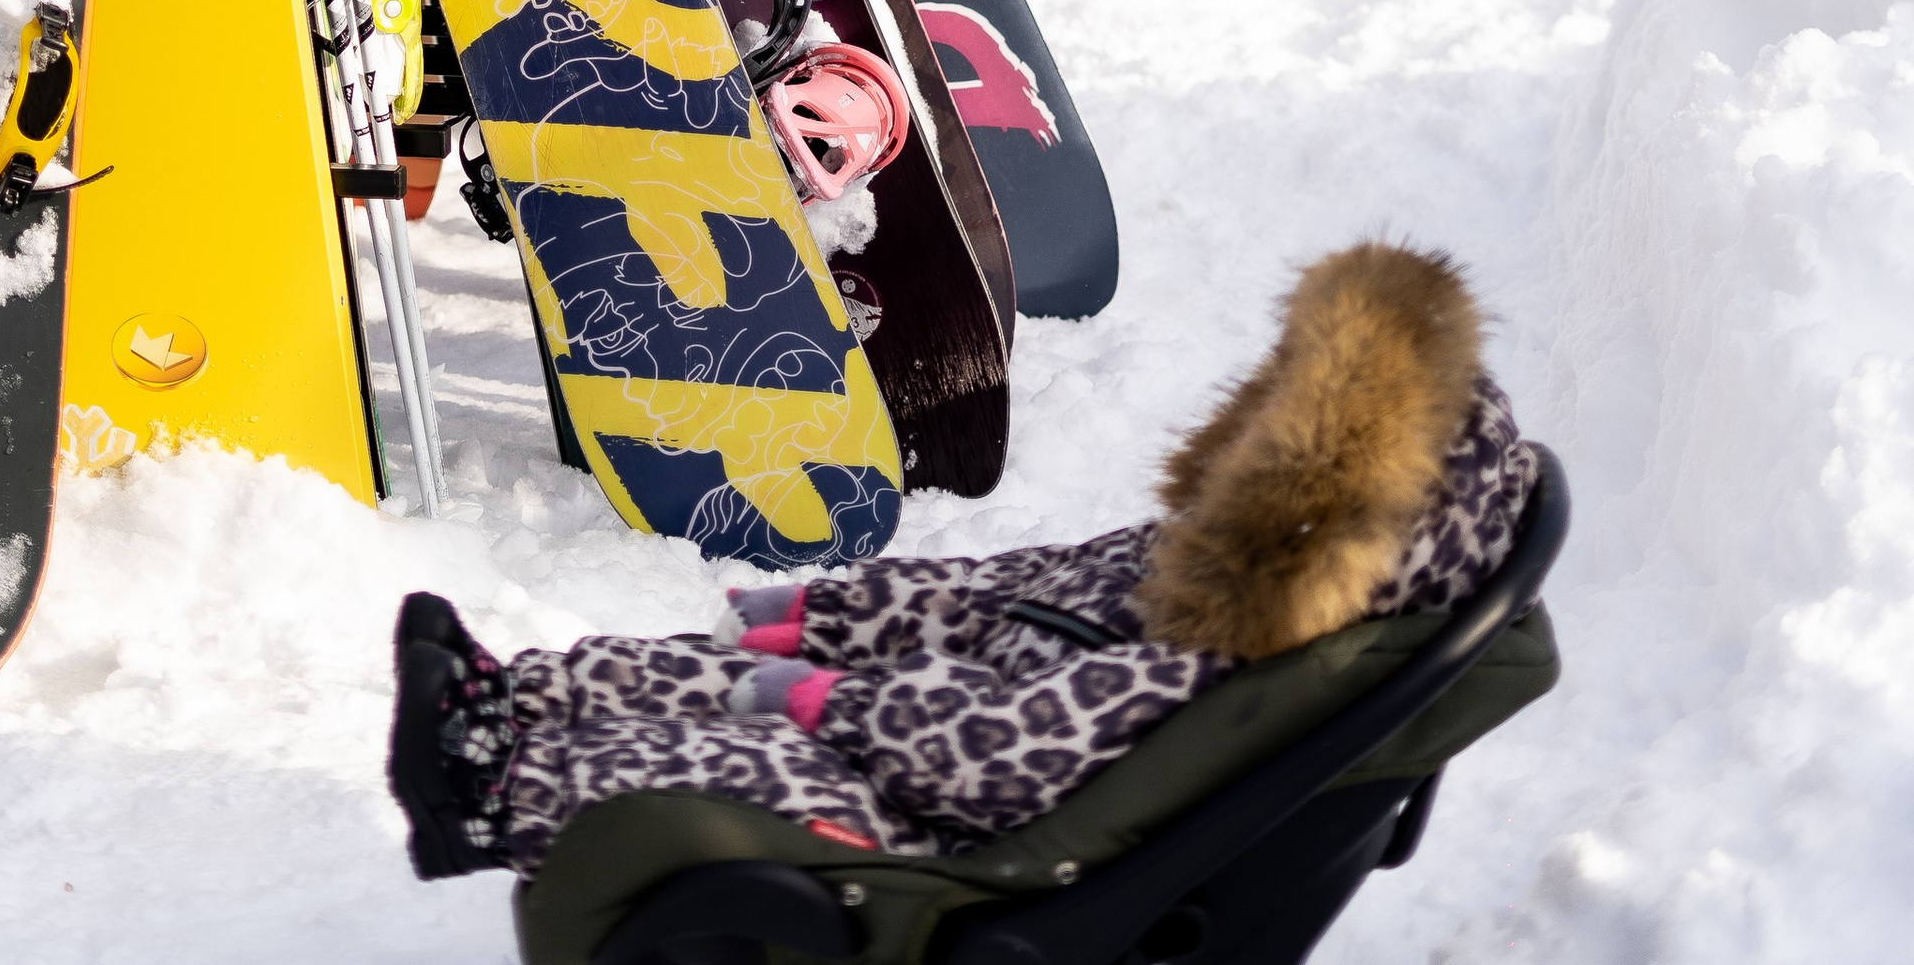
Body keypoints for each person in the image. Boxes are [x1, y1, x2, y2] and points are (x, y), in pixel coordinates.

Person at [388, 242, 1536, 883]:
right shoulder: (1197, 557)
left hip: (955, 836)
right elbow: (1004, 590)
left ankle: (492, 790)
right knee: (711, 666)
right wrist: (834, 616)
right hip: (932, 731)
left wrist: (833, 700)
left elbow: (1004, 758)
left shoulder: (1220, 653)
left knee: (733, 762)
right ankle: (516, 698)